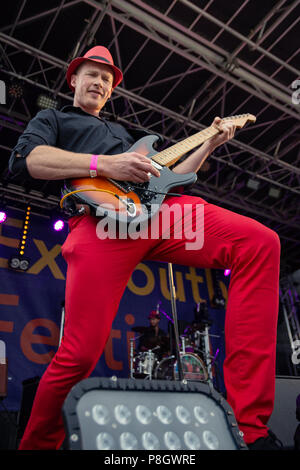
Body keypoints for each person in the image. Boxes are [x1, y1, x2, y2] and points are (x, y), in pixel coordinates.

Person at [9, 45, 281, 450]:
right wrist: (104, 165)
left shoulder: (130, 137)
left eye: (107, 78)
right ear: (74, 79)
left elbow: (172, 179)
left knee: (260, 243)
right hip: (101, 224)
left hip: (158, 215)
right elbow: (29, 161)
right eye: (92, 74)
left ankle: (250, 430)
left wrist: (209, 143)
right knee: (79, 354)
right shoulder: (54, 118)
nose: (100, 81)